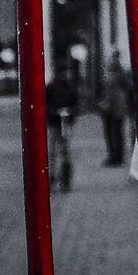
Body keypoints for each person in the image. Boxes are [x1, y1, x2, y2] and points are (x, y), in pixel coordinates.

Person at [45, 63, 79, 192]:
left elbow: (76, 104)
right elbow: (45, 104)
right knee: (56, 151)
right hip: (56, 122)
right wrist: (56, 112)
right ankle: (54, 177)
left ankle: (62, 178)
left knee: (63, 151)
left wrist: (70, 113)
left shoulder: (67, 87)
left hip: (63, 122)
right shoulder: (52, 87)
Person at [98, 59, 131, 167]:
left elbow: (109, 96)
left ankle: (116, 156)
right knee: (115, 134)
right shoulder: (117, 81)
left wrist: (104, 104)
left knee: (114, 134)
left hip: (113, 109)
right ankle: (115, 156)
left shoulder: (113, 80)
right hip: (113, 109)